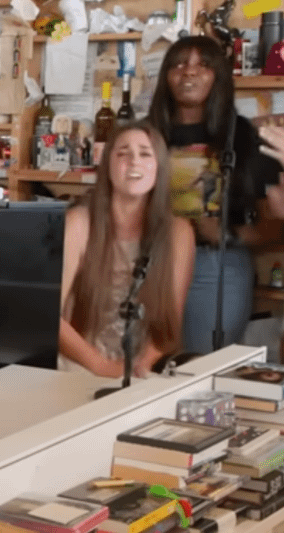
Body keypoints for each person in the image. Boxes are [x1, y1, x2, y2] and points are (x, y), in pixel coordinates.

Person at [147, 35, 281, 352]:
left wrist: (227, 233)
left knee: (200, 370)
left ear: (218, 76)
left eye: (203, 65)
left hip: (214, 268)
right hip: (149, 262)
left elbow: (274, 225)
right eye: (179, 63)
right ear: (166, 75)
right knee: (143, 371)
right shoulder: (144, 134)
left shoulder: (243, 137)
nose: (189, 72)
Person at [58, 122, 195, 377]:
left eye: (145, 153)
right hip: (80, 365)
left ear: (159, 168)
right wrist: (104, 368)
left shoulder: (179, 232)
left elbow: (169, 325)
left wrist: (138, 369)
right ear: (107, 164)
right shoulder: (78, 223)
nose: (134, 162)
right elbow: (51, 318)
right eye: (123, 153)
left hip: (146, 369)